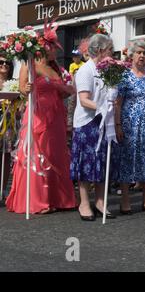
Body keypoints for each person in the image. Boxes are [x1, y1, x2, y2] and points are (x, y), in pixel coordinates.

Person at [6, 25, 77, 214]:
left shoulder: (57, 69)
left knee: (56, 153)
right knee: (39, 152)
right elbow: (22, 88)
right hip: (38, 116)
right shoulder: (30, 64)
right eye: (53, 46)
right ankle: (40, 199)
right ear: (44, 47)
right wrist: (25, 89)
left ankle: (59, 198)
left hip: (56, 117)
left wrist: (67, 91)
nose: (55, 50)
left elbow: (60, 94)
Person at [70, 34, 115, 221]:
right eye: (110, 49)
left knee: (101, 161)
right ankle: (84, 203)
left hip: (103, 122)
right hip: (87, 123)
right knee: (86, 163)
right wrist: (102, 106)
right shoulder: (85, 70)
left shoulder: (106, 70)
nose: (112, 53)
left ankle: (100, 201)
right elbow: (84, 100)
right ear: (100, 50)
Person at [114, 40, 145, 214]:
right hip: (129, 124)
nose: (142, 56)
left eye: (144, 53)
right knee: (128, 159)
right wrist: (118, 125)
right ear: (131, 55)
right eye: (138, 52)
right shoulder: (124, 76)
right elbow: (117, 104)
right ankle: (125, 200)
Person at [0, 54, 20, 195]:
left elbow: (19, 108)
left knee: (6, 156)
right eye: (1, 62)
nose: (5, 65)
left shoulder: (13, 83)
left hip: (9, 122)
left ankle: (2, 188)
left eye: (7, 62)